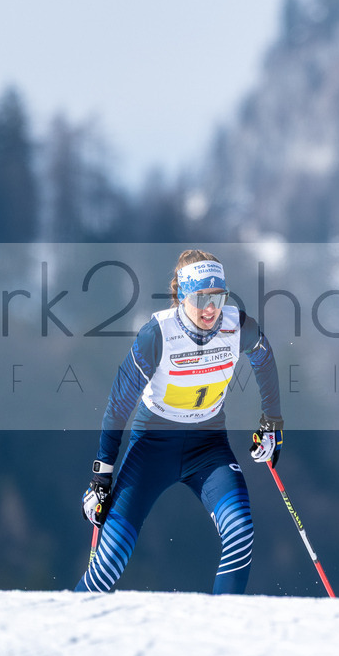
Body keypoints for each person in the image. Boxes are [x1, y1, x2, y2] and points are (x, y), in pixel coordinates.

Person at [75, 249, 282, 594]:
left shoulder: (239, 326)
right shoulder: (157, 334)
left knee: (241, 532)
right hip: (152, 449)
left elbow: (265, 359)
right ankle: (65, 631)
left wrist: (272, 423)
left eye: (218, 297)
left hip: (209, 447)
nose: (211, 309)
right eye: (201, 297)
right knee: (108, 564)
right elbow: (118, 405)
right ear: (183, 296)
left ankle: (224, 632)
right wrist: (101, 476)